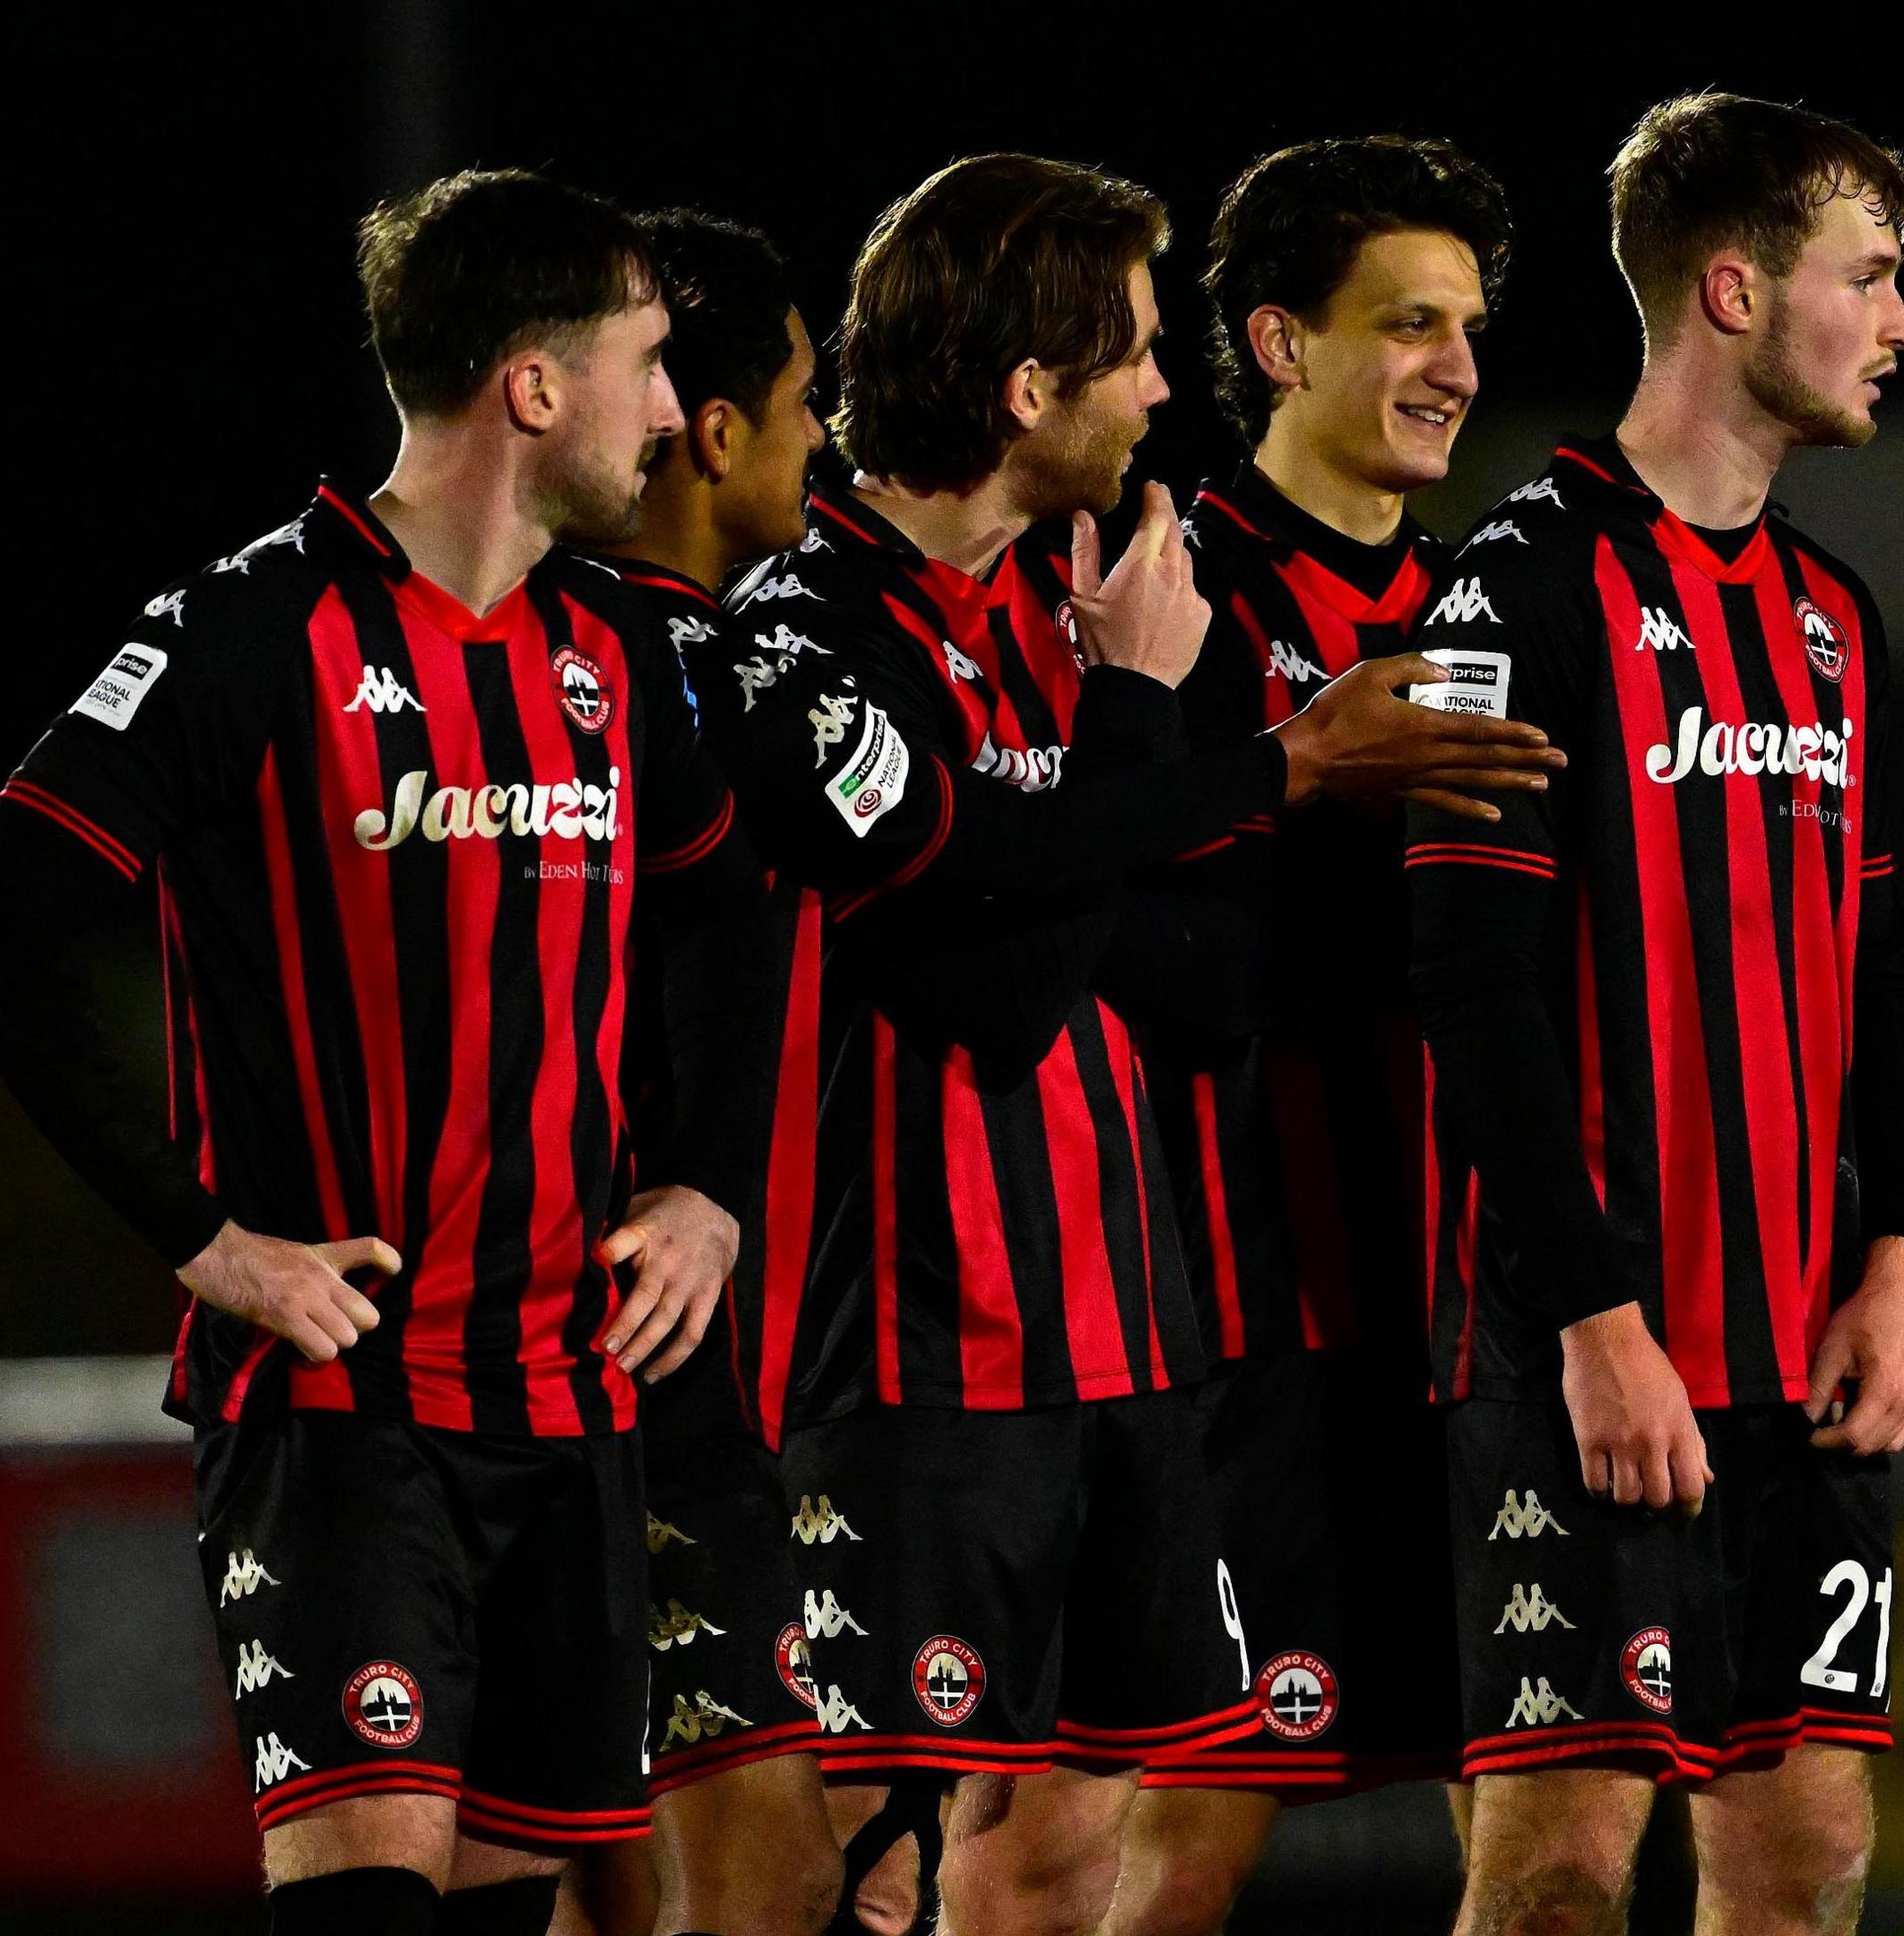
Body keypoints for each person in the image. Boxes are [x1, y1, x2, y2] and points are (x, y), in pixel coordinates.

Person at [692, 152, 1562, 1936]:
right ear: (1027, 390)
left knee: (1074, 1858)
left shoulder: (1068, 612)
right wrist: (1220, 754)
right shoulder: (803, 637)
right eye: (1136, 354)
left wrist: (1116, 788)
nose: (1167, 394)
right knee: (838, 1875)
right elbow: (987, 989)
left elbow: (1177, 976)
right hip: (903, 1371)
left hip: (1124, 1349)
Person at [0, 169, 783, 1936]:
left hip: (571, 1417)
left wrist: (711, 1184)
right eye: (639, 359)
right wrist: (205, 1239)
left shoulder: (620, 652)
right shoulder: (246, 631)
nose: (664, 408)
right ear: (531, 387)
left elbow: (730, 925)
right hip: (345, 1421)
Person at [1407, 91, 1904, 1935]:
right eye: (1865, 278)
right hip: (1584, 1355)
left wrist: (1894, 1258)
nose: (1901, 322)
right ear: (1732, 288)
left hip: (1808, 1365)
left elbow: (1880, 978)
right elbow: (1469, 987)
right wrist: (1596, 1319)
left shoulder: (1836, 621)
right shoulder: (1520, 581)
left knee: (1807, 1866)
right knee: (1556, 1876)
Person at [1106, 135, 1512, 1936]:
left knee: (1537, 1815)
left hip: (1474, 1320)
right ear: (1279, 343)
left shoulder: (1490, 607)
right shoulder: (1165, 587)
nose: (1458, 365)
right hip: (1242, 1325)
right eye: (1410, 321)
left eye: (1472, 326)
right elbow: (1115, 915)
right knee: (1184, 1834)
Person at [571, 206, 842, 1936]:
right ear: (716, 430)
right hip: (648, 1357)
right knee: (742, 1876)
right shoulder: (685, 667)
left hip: (585, 1356)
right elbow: (967, 858)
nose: (824, 437)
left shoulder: (560, 648)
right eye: (804, 399)